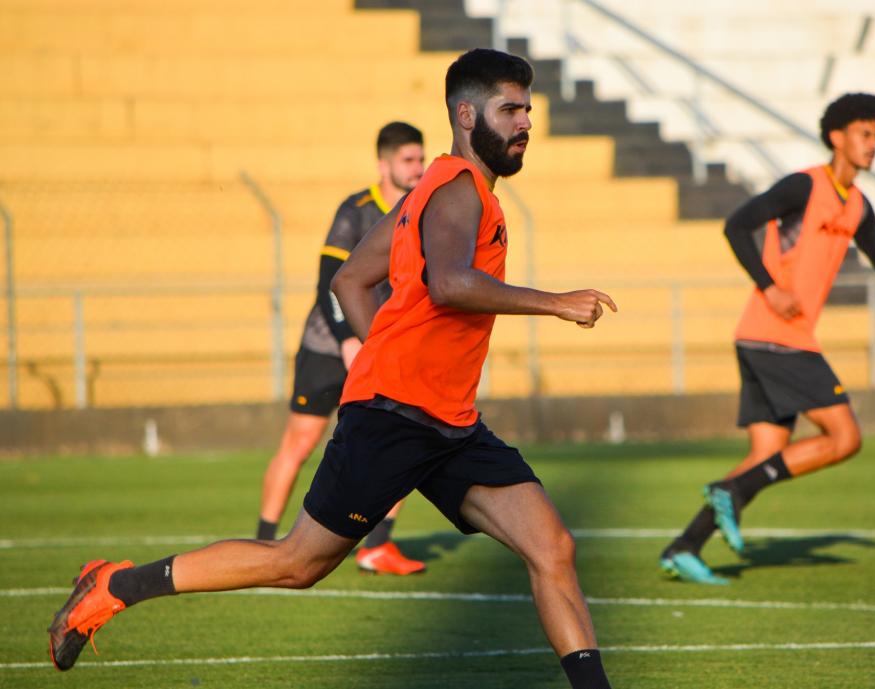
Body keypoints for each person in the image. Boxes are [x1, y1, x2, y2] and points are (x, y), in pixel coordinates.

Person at [47, 48, 618, 689]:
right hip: (398, 420)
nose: (524, 123)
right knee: (297, 562)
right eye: (509, 109)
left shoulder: (432, 190)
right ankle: (114, 586)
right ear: (466, 113)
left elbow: (351, 280)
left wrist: (391, 355)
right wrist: (557, 303)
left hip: (448, 421)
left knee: (553, 549)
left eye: (528, 111)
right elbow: (453, 283)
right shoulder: (459, 192)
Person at [659, 93, 875, 585]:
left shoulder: (858, 206)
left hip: (765, 338)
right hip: (778, 337)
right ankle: (726, 494)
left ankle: (685, 546)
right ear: (837, 136)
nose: (872, 144)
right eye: (865, 134)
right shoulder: (804, 185)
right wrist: (770, 286)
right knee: (845, 437)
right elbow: (736, 226)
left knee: (763, 458)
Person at [257, 121, 426, 576]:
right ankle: (261, 543)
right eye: (408, 160)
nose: (417, 168)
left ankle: (377, 547)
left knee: (403, 438)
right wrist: (348, 338)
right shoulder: (356, 211)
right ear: (383, 164)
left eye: (420, 159)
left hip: (381, 345)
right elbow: (329, 282)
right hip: (328, 344)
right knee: (302, 440)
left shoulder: (424, 211)